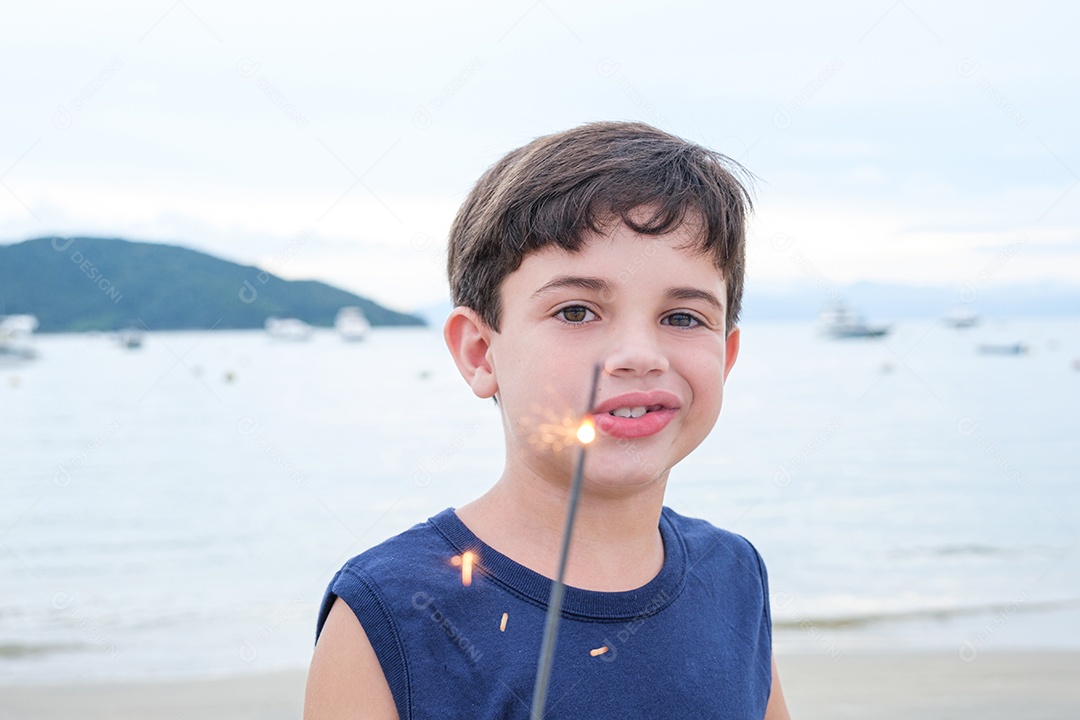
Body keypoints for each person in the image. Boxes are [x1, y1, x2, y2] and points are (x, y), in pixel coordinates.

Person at [304, 121, 791, 719]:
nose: (639, 355)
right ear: (481, 353)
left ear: (727, 355)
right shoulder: (393, 614)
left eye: (683, 318)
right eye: (577, 311)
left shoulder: (735, 575)